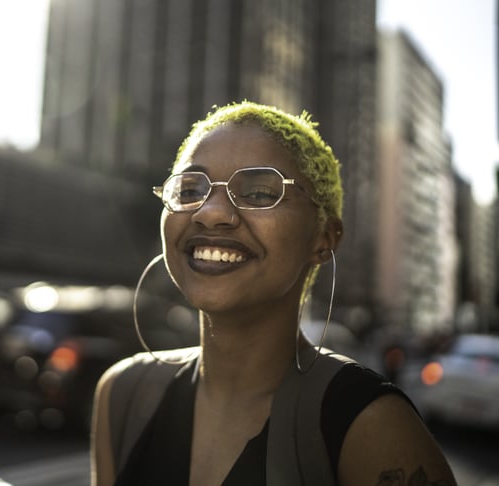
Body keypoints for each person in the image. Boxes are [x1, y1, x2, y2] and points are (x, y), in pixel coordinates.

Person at [90, 101, 457, 486]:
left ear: (323, 238)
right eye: (191, 188)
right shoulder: (122, 396)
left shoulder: (372, 427)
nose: (211, 212)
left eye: (260, 193)